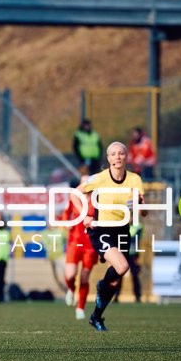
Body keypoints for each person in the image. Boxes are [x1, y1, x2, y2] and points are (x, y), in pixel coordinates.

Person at [73, 141, 144, 331]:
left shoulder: (135, 180)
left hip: (122, 230)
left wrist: (138, 204)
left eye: (121, 153)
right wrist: (84, 217)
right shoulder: (99, 178)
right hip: (101, 229)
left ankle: (96, 316)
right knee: (122, 266)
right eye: (113, 154)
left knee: (116, 277)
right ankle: (101, 286)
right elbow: (75, 194)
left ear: (126, 156)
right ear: (108, 158)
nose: (117, 157)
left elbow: (143, 211)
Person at [60, 176, 97, 320]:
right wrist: (66, 222)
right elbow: (65, 213)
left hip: (91, 244)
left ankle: (80, 308)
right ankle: (70, 288)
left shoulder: (97, 200)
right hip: (74, 242)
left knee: (84, 277)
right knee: (70, 274)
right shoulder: (74, 198)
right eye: (84, 182)